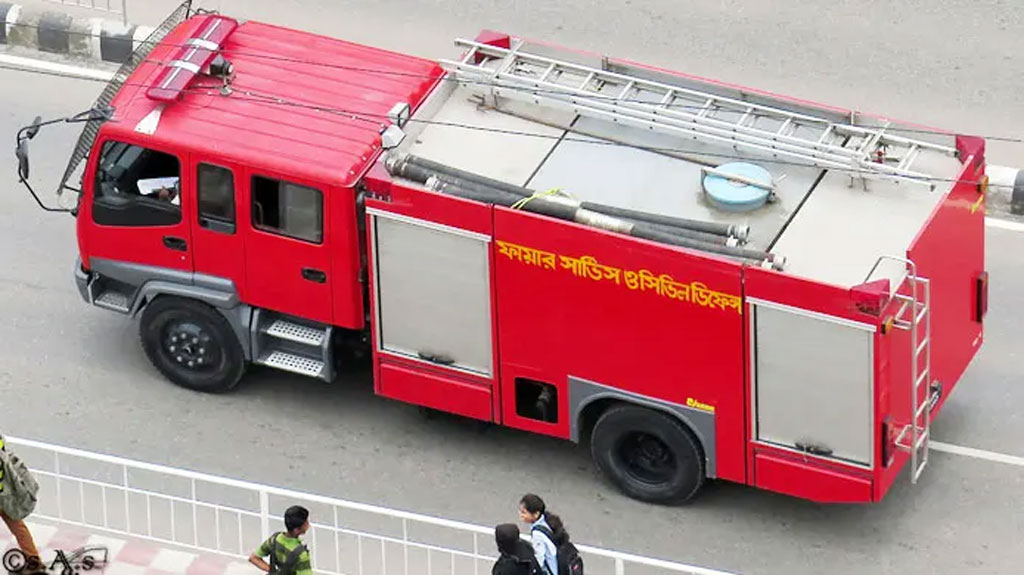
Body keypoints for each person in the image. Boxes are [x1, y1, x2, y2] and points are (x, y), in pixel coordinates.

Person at [0, 434, 44, 575]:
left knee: (18, 527)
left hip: (3, 495)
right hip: (5, 495)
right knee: (19, 527)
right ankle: (35, 563)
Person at [249, 505, 313, 575]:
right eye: (306, 523)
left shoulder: (275, 539)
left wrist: (274, 572)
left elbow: (253, 558)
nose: (308, 524)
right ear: (296, 530)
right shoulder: (301, 554)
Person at [517, 494, 566, 575]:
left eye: (524, 512)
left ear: (536, 514)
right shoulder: (547, 522)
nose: (521, 515)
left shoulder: (537, 534)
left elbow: (539, 561)